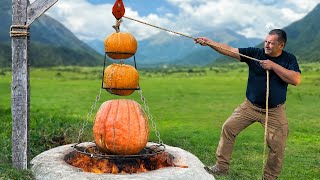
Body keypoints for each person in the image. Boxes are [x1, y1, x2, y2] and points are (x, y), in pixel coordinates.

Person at [194, 29, 301, 180]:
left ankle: (269, 177)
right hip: (249, 107)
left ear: (281, 45)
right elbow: (229, 50)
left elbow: (296, 80)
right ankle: (221, 167)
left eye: (271, 43)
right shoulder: (254, 53)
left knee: (278, 146)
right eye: (266, 41)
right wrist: (209, 42)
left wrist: (273, 66)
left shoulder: (289, 59)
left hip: (275, 111)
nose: (267, 45)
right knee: (228, 128)